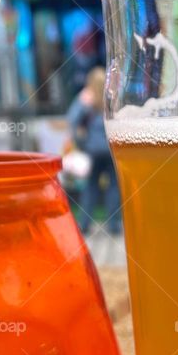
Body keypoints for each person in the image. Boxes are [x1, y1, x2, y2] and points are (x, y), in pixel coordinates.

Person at [68, 67, 121, 234]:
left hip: (92, 149)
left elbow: (72, 121)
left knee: (90, 187)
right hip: (111, 148)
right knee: (114, 186)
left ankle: (84, 224)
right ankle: (113, 225)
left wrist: (81, 142)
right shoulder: (112, 96)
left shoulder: (85, 98)